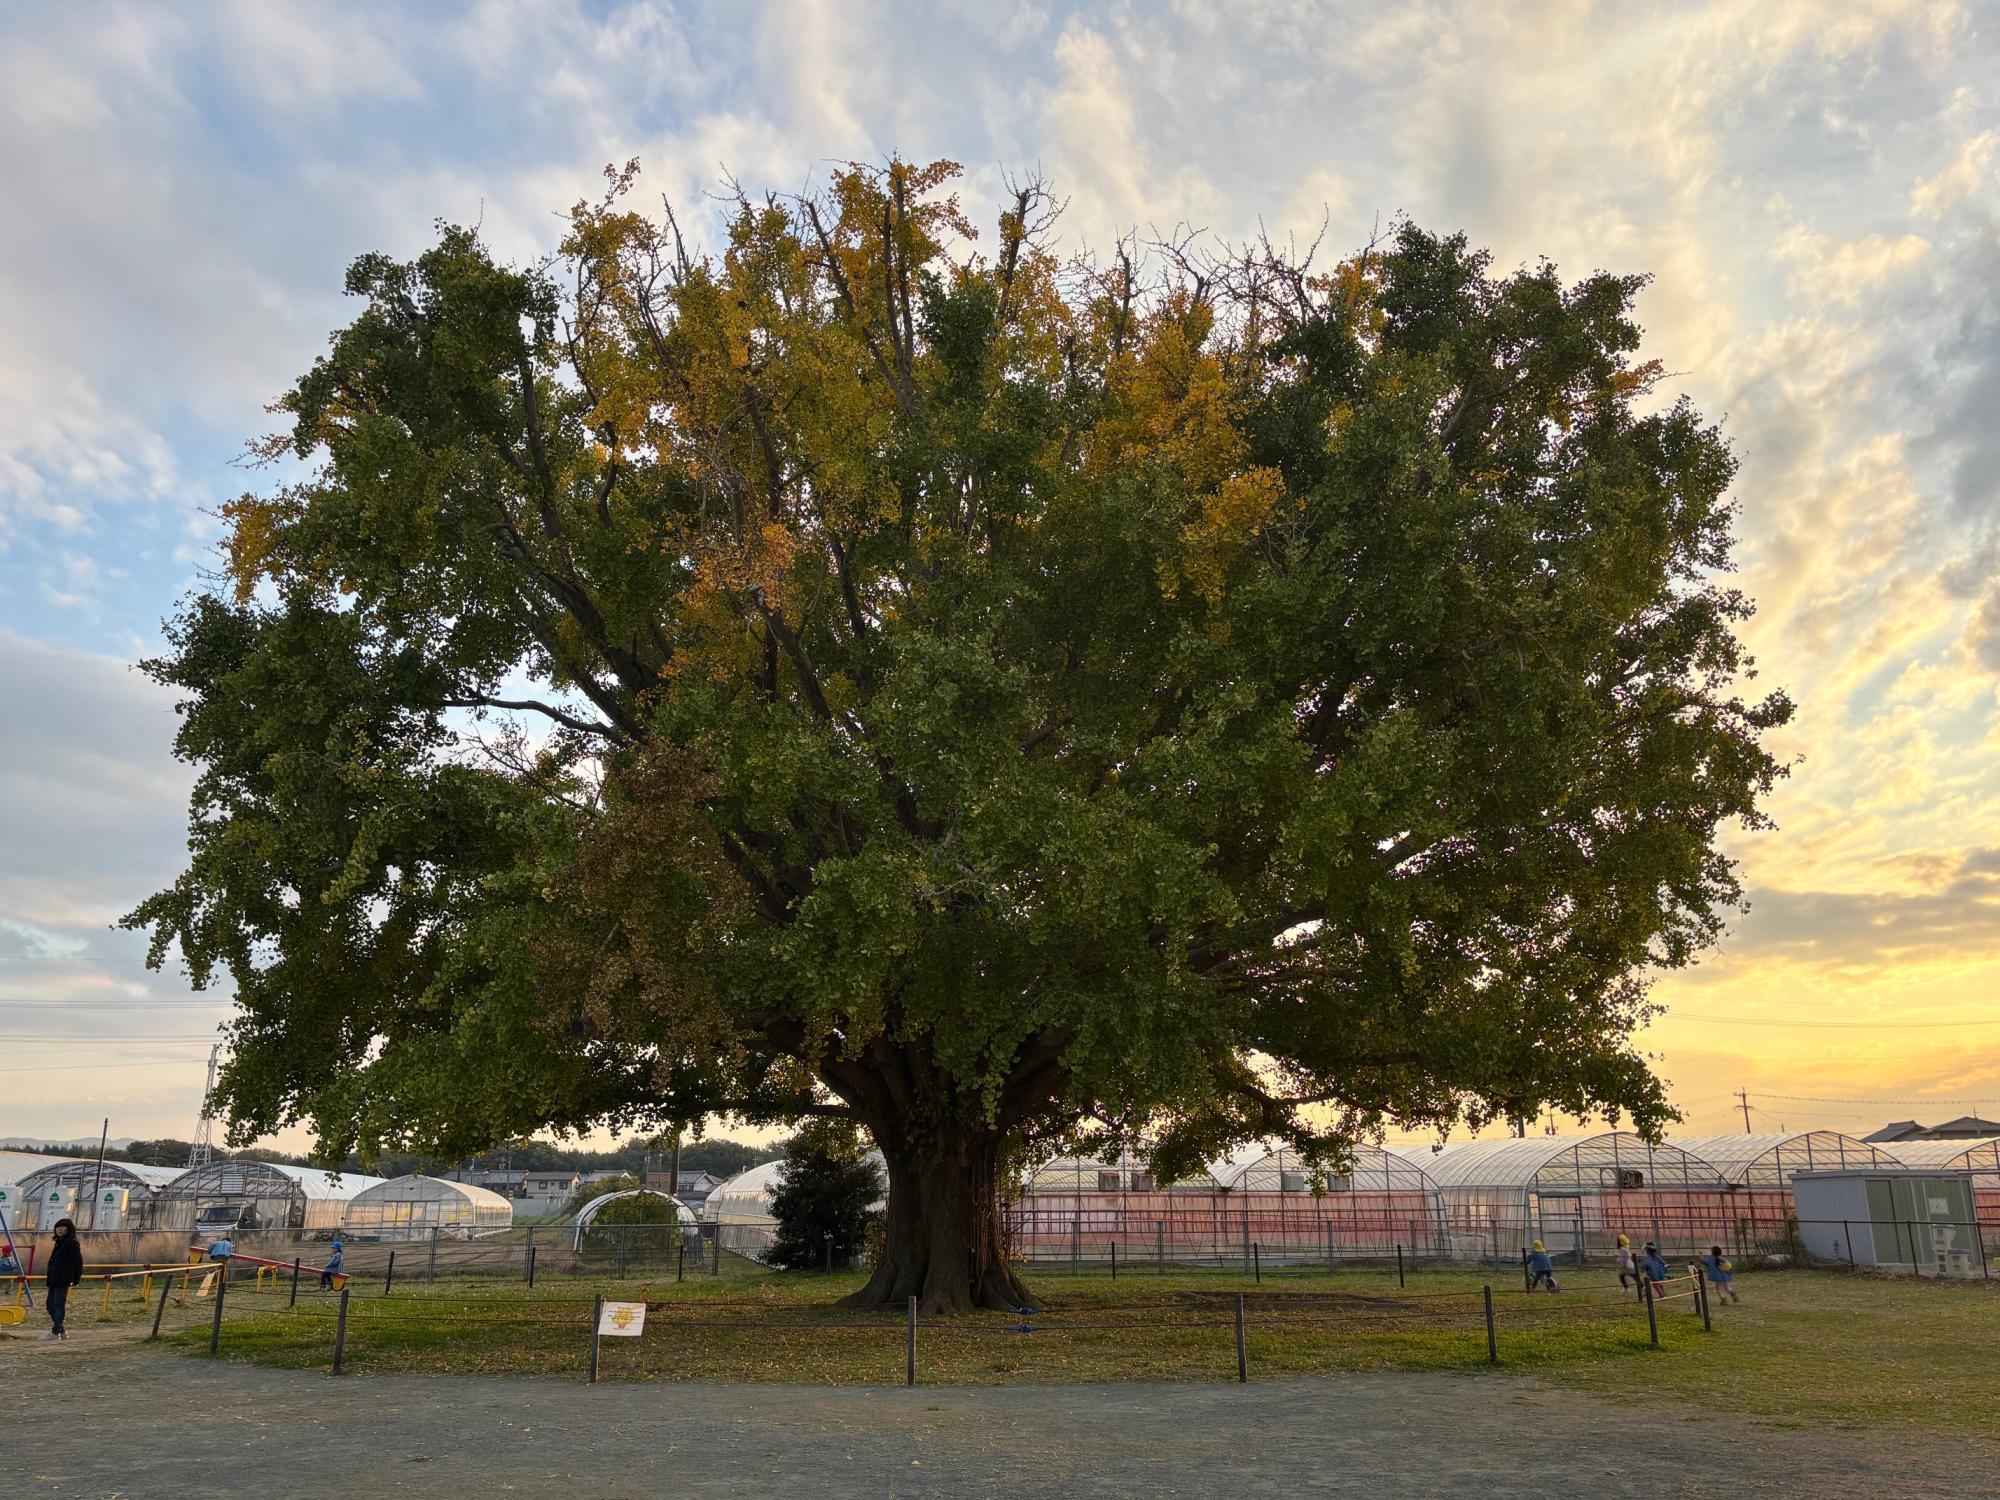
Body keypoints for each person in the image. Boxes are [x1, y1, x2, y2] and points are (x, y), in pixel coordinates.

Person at [44, 1217, 83, 1342]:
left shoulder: (71, 1242)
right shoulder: (59, 1242)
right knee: (50, 1306)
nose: (59, 1230)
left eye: (62, 1227)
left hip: (63, 1278)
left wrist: (76, 1278)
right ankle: (61, 1330)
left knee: (58, 1304)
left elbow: (78, 1261)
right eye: (57, 1227)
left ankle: (56, 1332)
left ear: (69, 1229)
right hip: (54, 1279)